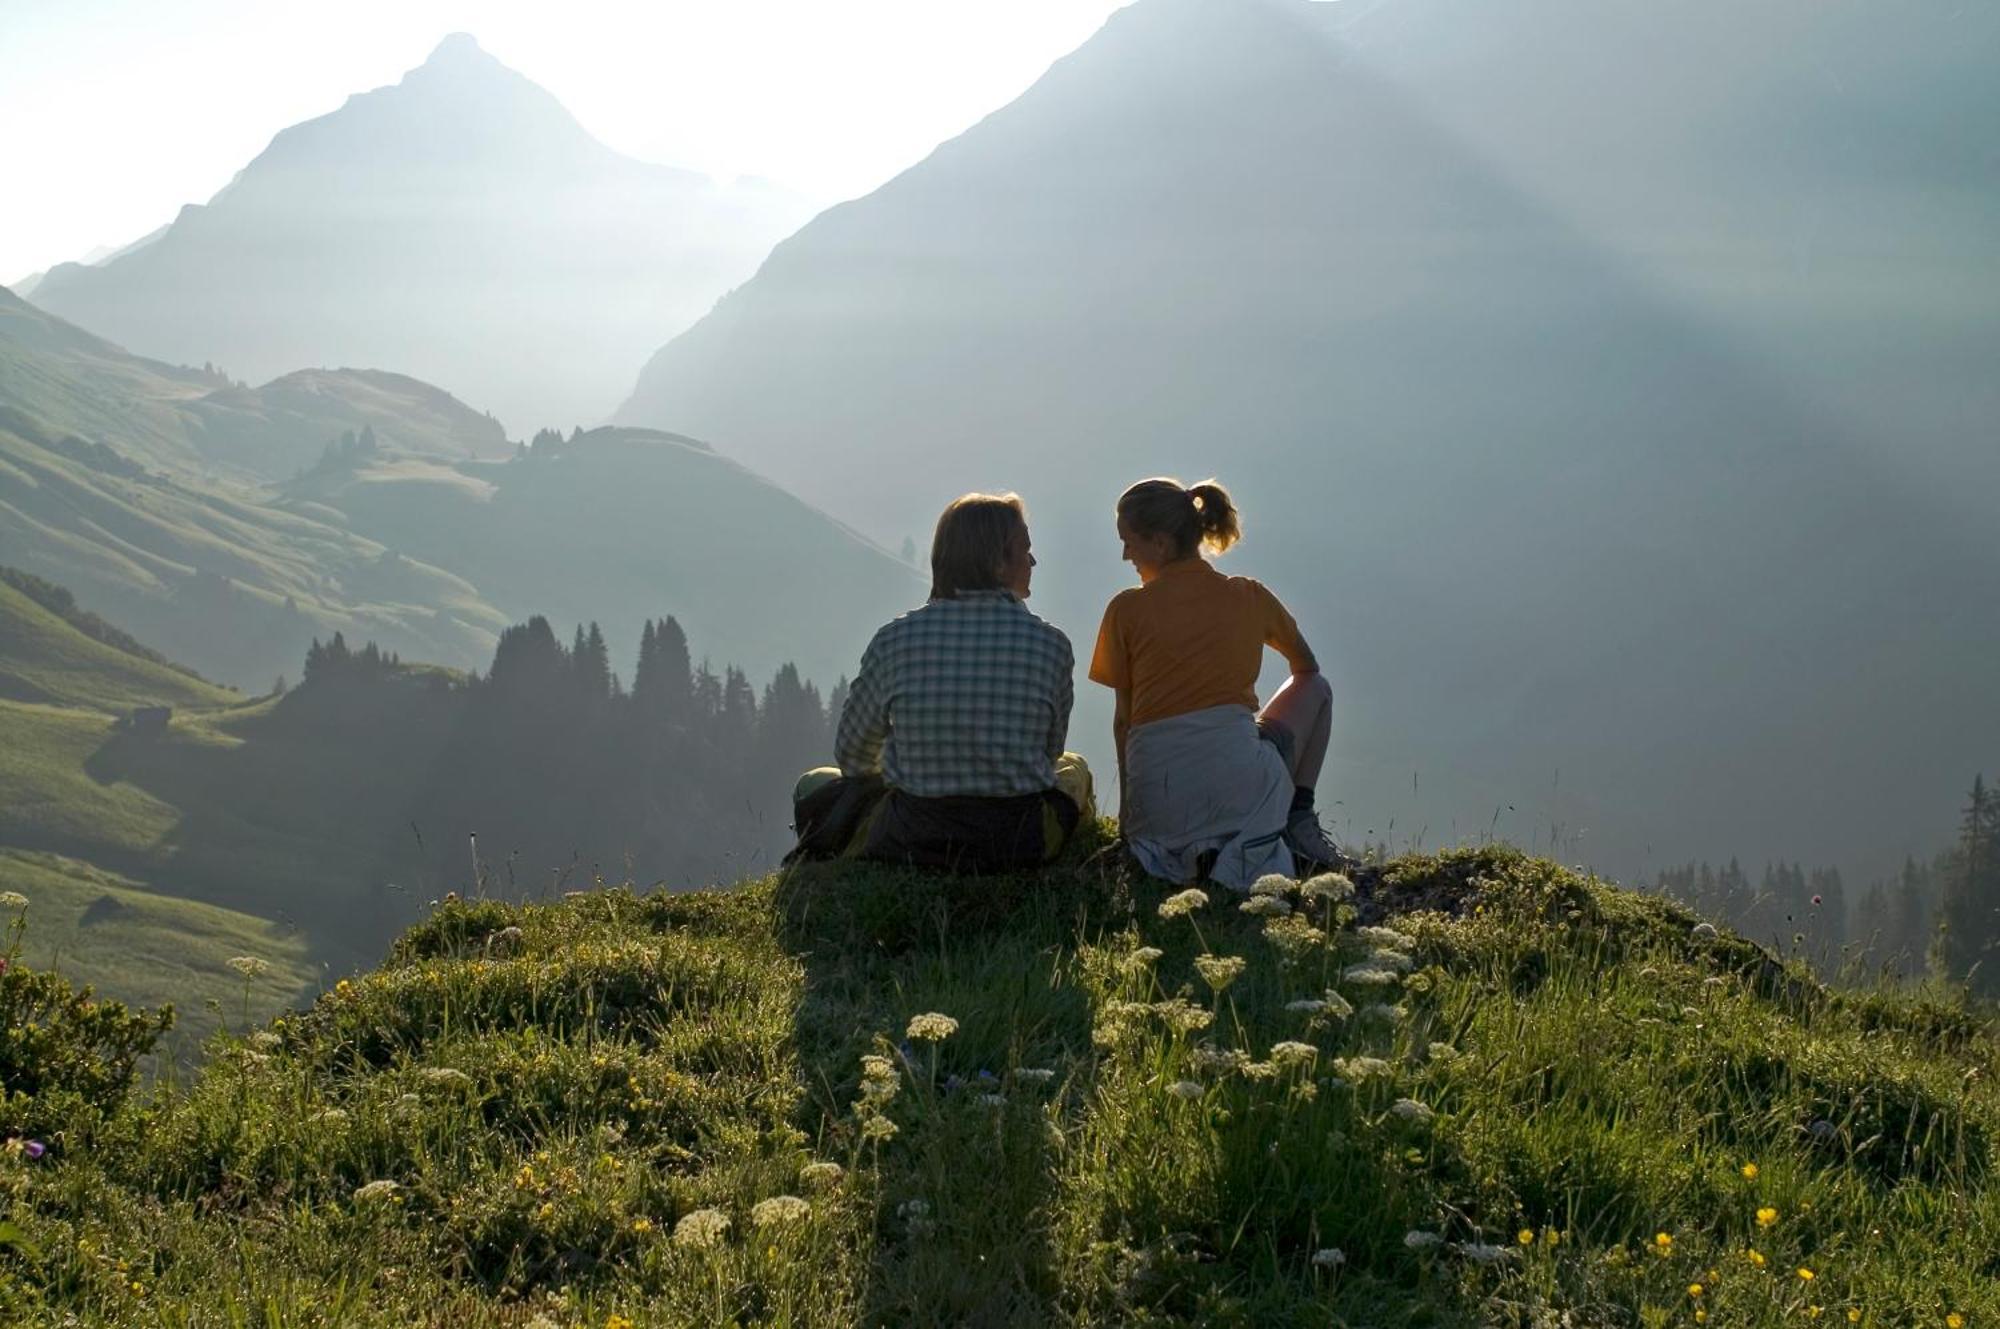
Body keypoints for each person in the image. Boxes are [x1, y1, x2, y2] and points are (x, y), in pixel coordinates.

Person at [791, 493, 1094, 870]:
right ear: (998, 562)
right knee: (1073, 767)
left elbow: (853, 756)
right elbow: (1048, 754)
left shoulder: (894, 639)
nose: (1032, 561)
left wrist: (922, 759)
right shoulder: (1052, 644)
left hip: (911, 838)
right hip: (1020, 841)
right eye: (1025, 551)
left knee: (814, 783)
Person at [1088, 477, 1341, 887]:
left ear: (1160, 544)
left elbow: (1125, 723)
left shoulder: (1125, 610)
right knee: (1319, 689)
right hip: (1238, 785)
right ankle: (1297, 817)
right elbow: (1306, 668)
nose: (1124, 555)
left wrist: (1129, 817)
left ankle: (1201, 847)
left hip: (1158, 806)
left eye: (1128, 542)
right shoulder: (1249, 596)